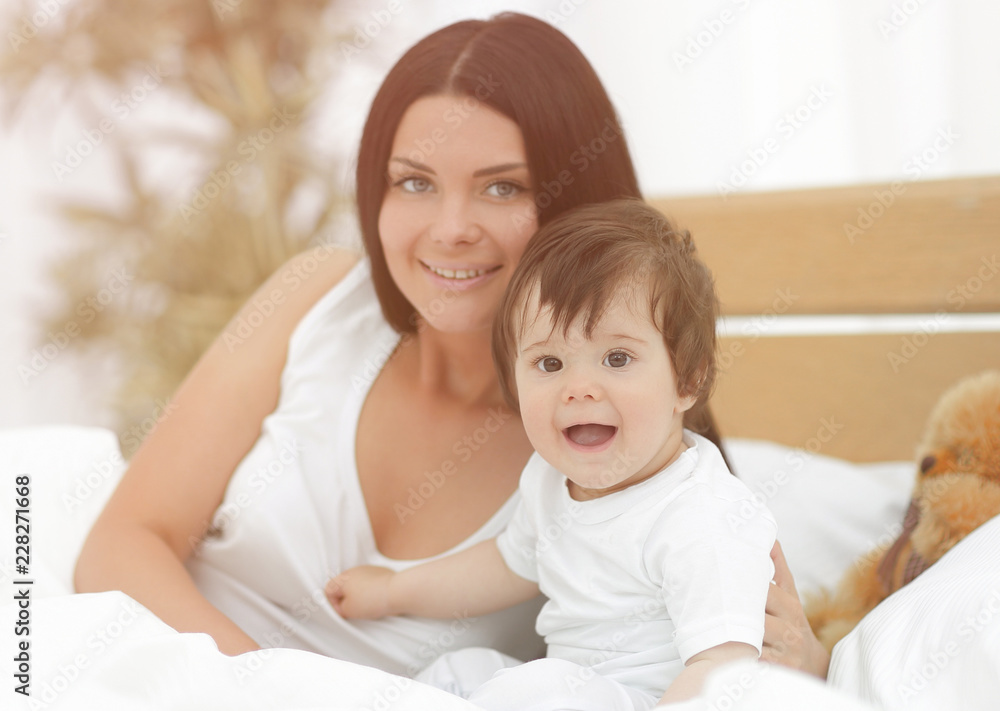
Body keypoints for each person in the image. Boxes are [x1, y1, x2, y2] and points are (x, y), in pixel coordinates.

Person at [73, 12, 732, 677]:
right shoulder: (318, 298)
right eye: (414, 182)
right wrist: (272, 693)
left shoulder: (617, 438)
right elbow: (122, 545)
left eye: (502, 187)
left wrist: (809, 651)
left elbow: (725, 653)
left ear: (578, 202)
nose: (450, 229)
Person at [326, 199, 778, 710]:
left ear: (688, 379)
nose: (578, 388)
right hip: (565, 690)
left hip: (647, 701)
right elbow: (505, 564)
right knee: (462, 668)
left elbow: (723, 664)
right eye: (549, 362)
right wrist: (393, 591)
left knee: (537, 687)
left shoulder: (701, 514)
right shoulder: (546, 481)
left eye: (617, 358)